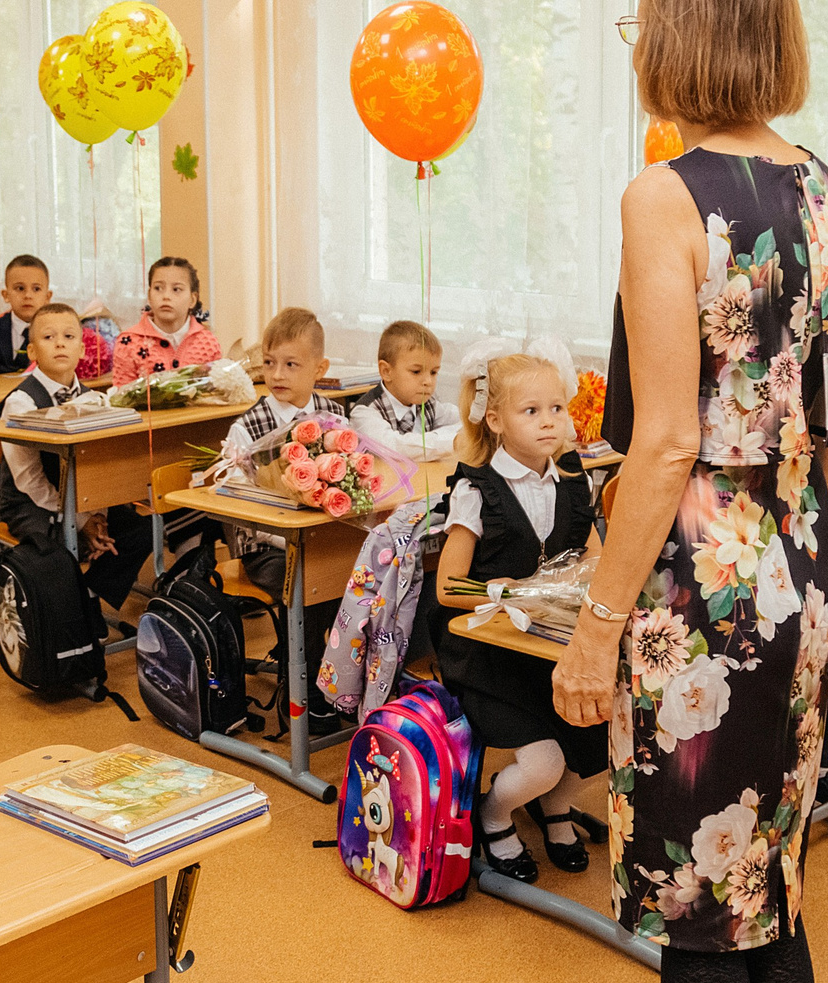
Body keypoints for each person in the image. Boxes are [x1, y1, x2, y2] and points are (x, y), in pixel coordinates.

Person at [548, 0, 828, 983]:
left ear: (676, 40)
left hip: (702, 592)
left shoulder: (665, 195)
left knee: (698, 923)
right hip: (799, 560)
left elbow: (665, 438)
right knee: (769, 897)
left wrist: (593, 620)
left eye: (639, 25)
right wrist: (786, 542)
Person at [426, 346, 604, 881]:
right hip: (485, 651)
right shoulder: (476, 491)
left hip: (549, 645)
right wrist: (497, 591)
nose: (549, 422)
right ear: (496, 419)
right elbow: (447, 587)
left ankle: (554, 810)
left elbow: (595, 563)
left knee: (603, 740)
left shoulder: (574, 480)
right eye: (532, 412)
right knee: (546, 760)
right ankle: (495, 813)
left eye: (556, 408)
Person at [218, 308, 350, 733]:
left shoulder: (334, 418)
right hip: (266, 548)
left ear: (319, 368)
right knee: (308, 588)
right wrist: (284, 536)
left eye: (291, 364)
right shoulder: (247, 428)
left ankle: (337, 686)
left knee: (352, 586)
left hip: (322, 542)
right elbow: (237, 506)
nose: (277, 373)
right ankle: (300, 700)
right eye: (270, 362)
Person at [0, 304, 141, 618]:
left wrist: (96, 513)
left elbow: (100, 465)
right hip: (29, 503)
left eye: (69, 336)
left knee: (141, 529)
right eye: (48, 337)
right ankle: (73, 617)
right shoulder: (20, 402)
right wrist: (82, 519)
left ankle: (89, 594)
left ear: (82, 347)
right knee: (58, 548)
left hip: (85, 500)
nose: (60, 343)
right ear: (32, 350)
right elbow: (29, 481)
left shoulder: (94, 399)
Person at [108, 256, 222, 386]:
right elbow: (120, 397)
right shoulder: (128, 342)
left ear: (192, 299)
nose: (166, 296)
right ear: (149, 295)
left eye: (176, 289)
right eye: (158, 288)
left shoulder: (207, 342)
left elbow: (216, 391)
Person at [349, 320, 450, 459]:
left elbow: (466, 422)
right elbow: (392, 448)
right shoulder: (364, 413)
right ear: (386, 371)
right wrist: (452, 442)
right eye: (416, 371)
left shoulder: (429, 405)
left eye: (433, 372)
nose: (428, 381)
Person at [0, 254, 51, 377]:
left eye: (36, 289)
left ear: (47, 297)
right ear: (6, 295)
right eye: (20, 288)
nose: (28, 295)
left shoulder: (59, 334)